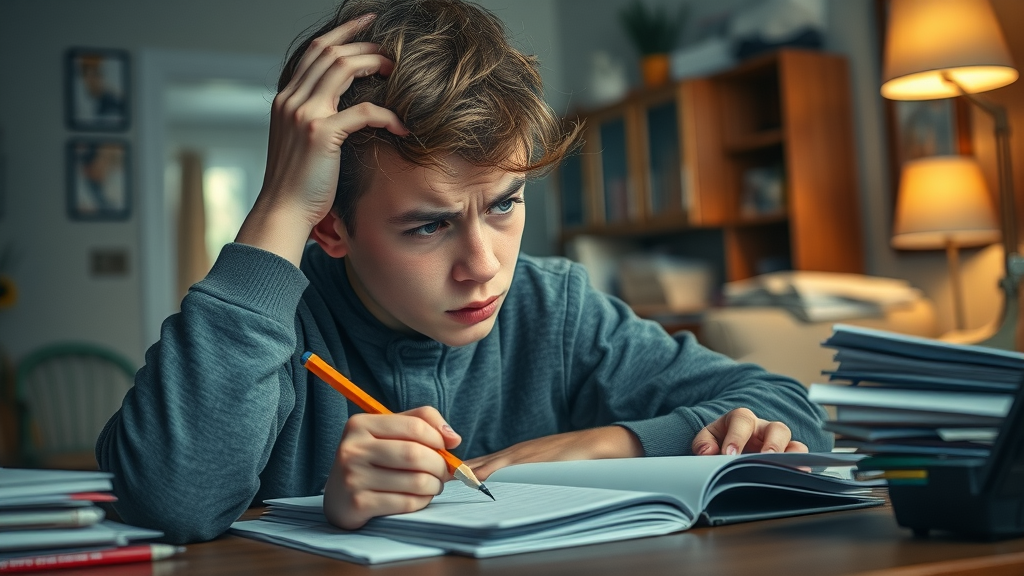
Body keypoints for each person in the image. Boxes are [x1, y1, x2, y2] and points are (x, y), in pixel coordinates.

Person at [96, 0, 832, 544]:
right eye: (429, 225)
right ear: (328, 225)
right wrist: (282, 202)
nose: (483, 268)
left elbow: (788, 411)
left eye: (505, 205)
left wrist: (597, 445)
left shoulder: (555, 308)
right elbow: (170, 497)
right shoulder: (270, 327)